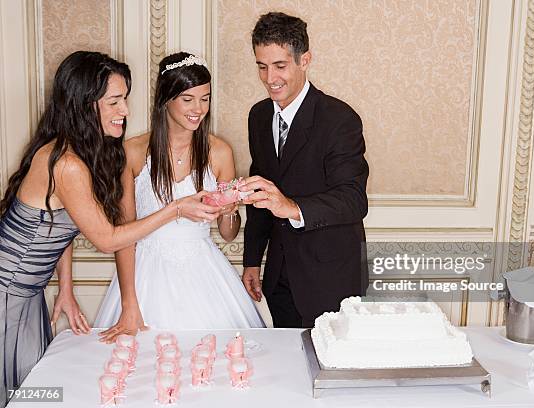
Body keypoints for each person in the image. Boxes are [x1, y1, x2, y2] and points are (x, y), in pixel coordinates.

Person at [0, 51, 213, 407]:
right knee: (24, 394)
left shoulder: (80, 152)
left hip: (28, 291)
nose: (125, 111)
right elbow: (106, 238)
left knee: (30, 391)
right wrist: (175, 208)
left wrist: (65, 287)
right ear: (84, 105)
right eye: (114, 102)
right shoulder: (65, 163)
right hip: (7, 292)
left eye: (124, 100)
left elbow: (62, 221)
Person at [95, 52, 264, 338]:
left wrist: (229, 209)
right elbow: (123, 235)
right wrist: (129, 303)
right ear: (166, 99)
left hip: (204, 273)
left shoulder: (220, 152)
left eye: (205, 98)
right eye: (188, 99)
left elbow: (228, 233)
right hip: (146, 274)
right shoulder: (133, 152)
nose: (198, 108)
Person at [240, 12, 369, 328]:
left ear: (305, 60)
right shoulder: (258, 117)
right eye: (262, 66)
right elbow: (262, 193)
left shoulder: (339, 119)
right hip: (279, 279)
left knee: (330, 371)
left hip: (330, 279)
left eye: (280, 66)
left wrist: (292, 207)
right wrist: (252, 261)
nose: (270, 78)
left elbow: (354, 200)